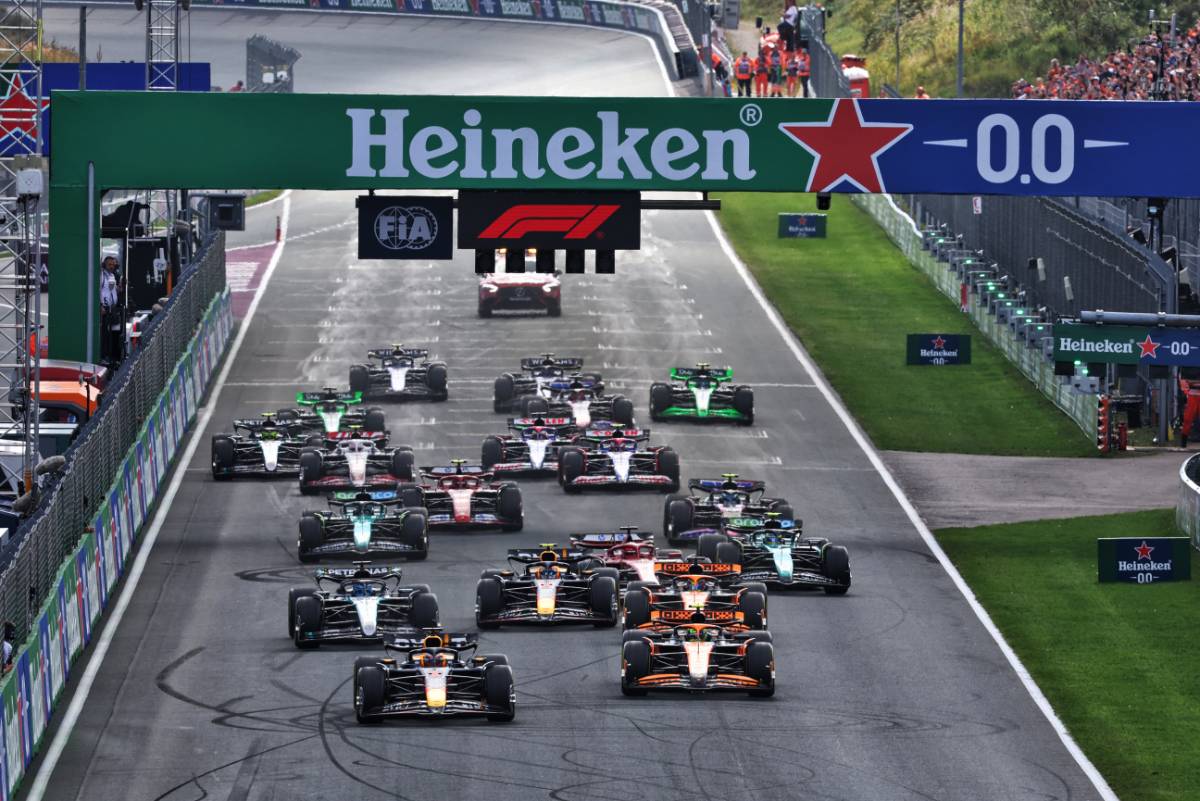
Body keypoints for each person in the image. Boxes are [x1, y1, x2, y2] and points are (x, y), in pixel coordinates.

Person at [99, 254, 125, 365]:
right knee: (105, 334)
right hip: (104, 309)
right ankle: (104, 357)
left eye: (113, 265)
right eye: (109, 264)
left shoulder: (112, 276)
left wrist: (119, 288)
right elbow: (98, 291)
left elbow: (112, 291)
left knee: (114, 333)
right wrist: (100, 306)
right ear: (104, 264)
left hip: (112, 309)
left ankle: (113, 357)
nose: (111, 266)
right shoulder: (101, 276)